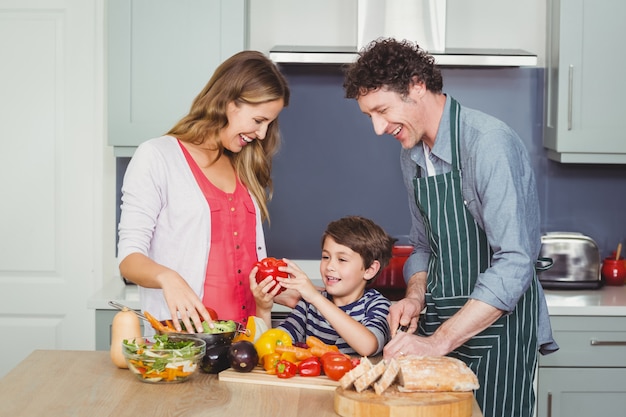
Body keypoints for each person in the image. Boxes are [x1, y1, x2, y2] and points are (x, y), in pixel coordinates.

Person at [343, 38, 558, 417]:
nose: (377, 128)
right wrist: (414, 296)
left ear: (416, 86)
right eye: (369, 116)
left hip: (498, 336)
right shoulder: (412, 155)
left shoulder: (488, 144)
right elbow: (424, 246)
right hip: (440, 325)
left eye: (382, 110)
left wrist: (438, 342)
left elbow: (514, 263)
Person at [117, 50, 292, 335]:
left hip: (247, 339)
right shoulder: (158, 156)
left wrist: (274, 289)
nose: (262, 134)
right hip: (187, 340)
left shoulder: (243, 164)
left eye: (269, 124)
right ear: (229, 102)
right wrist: (167, 277)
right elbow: (129, 260)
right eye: (258, 120)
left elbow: (237, 259)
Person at [251, 216, 395, 356]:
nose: (330, 266)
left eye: (342, 259)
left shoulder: (378, 305)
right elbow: (271, 348)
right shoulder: (308, 306)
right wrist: (263, 309)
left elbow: (368, 346)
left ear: (370, 270)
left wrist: (315, 297)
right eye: (326, 257)